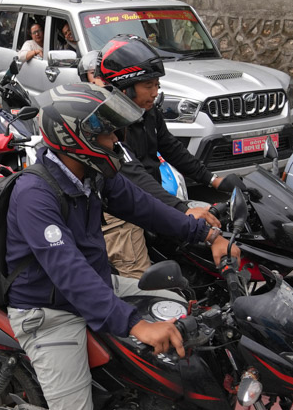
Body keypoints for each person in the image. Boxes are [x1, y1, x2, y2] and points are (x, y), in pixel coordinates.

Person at [5, 82, 233, 410]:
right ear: (75, 137)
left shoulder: (92, 174)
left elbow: (147, 209)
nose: (115, 143)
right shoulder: (35, 191)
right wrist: (133, 323)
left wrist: (207, 234)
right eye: (106, 134)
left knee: (186, 305)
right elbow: (67, 274)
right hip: (47, 311)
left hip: (97, 287)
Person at [88, 36, 243, 277]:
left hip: (151, 198)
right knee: (142, 281)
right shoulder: (106, 123)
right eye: (148, 85)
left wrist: (213, 180)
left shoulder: (146, 111)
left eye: (157, 84)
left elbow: (170, 147)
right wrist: (181, 210)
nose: (155, 92)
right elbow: (133, 174)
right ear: (125, 86)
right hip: (119, 211)